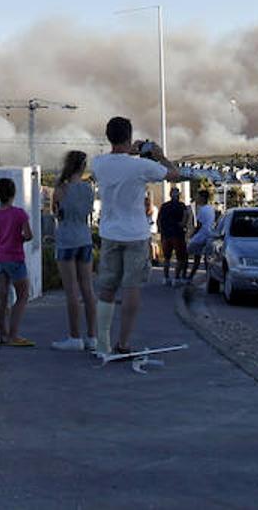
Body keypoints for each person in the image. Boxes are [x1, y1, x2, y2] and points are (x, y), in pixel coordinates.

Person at [91, 117, 182, 356]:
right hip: (136, 234)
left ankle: (102, 343)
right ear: (129, 137)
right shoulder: (141, 167)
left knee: (107, 289)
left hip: (110, 233)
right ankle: (124, 343)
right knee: (132, 288)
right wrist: (159, 155)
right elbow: (174, 174)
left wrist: (129, 150)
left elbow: (116, 157)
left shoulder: (98, 163)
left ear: (108, 136)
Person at [49, 151, 97, 352]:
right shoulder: (89, 189)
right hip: (84, 238)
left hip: (67, 240)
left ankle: (74, 336)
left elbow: (56, 213)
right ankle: (92, 337)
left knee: (72, 290)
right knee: (88, 289)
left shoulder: (61, 189)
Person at [0, 177, 34, 347]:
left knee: (1, 295)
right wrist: (15, 238)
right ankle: (13, 335)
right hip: (15, 259)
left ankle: (2, 335)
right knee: (22, 295)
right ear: (13, 194)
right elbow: (28, 235)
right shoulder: (19, 214)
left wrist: (0, 240)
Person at [157, 186, 189, 286]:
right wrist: (183, 226)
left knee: (167, 258)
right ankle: (176, 278)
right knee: (180, 258)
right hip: (177, 234)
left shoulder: (164, 206)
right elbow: (185, 219)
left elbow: (159, 220)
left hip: (166, 234)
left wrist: (161, 231)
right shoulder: (182, 206)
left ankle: (166, 278)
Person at [185, 189, 217, 280]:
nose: (196, 199)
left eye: (198, 197)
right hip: (209, 235)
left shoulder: (202, 210)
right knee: (204, 258)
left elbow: (198, 225)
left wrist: (192, 235)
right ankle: (207, 276)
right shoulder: (211, 208)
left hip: (201, 236)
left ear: (202, 198)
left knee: (189, 254)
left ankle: (187, 275)